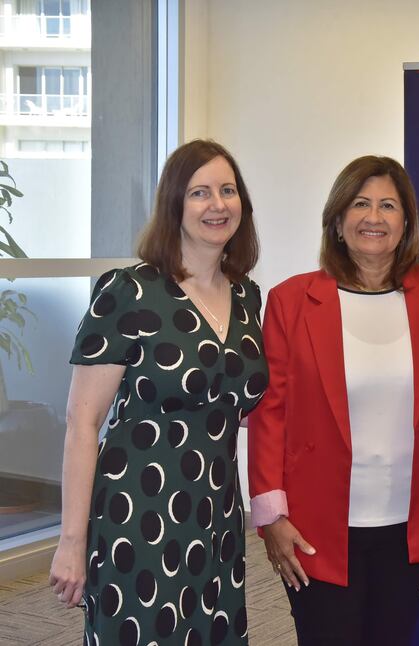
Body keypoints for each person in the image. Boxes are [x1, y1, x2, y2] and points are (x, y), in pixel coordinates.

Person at [49, 139, 268, 645]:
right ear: (174, 204)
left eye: (227, 190)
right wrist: (71, 541)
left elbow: (237, 404)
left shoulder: (247, 296)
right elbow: (82, 423)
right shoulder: (129, 292)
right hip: (139, 511)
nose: (217, 204)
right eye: (199, 192)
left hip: (215, 512)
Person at [247, 155, 419, 646]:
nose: (373, 217)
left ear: (406, 223)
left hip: (409, 524)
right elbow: (269, 413)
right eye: (360, 204)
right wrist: (271, 516)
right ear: (338, 221)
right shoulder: (292, 300)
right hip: (316, 526)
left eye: (388, 205)